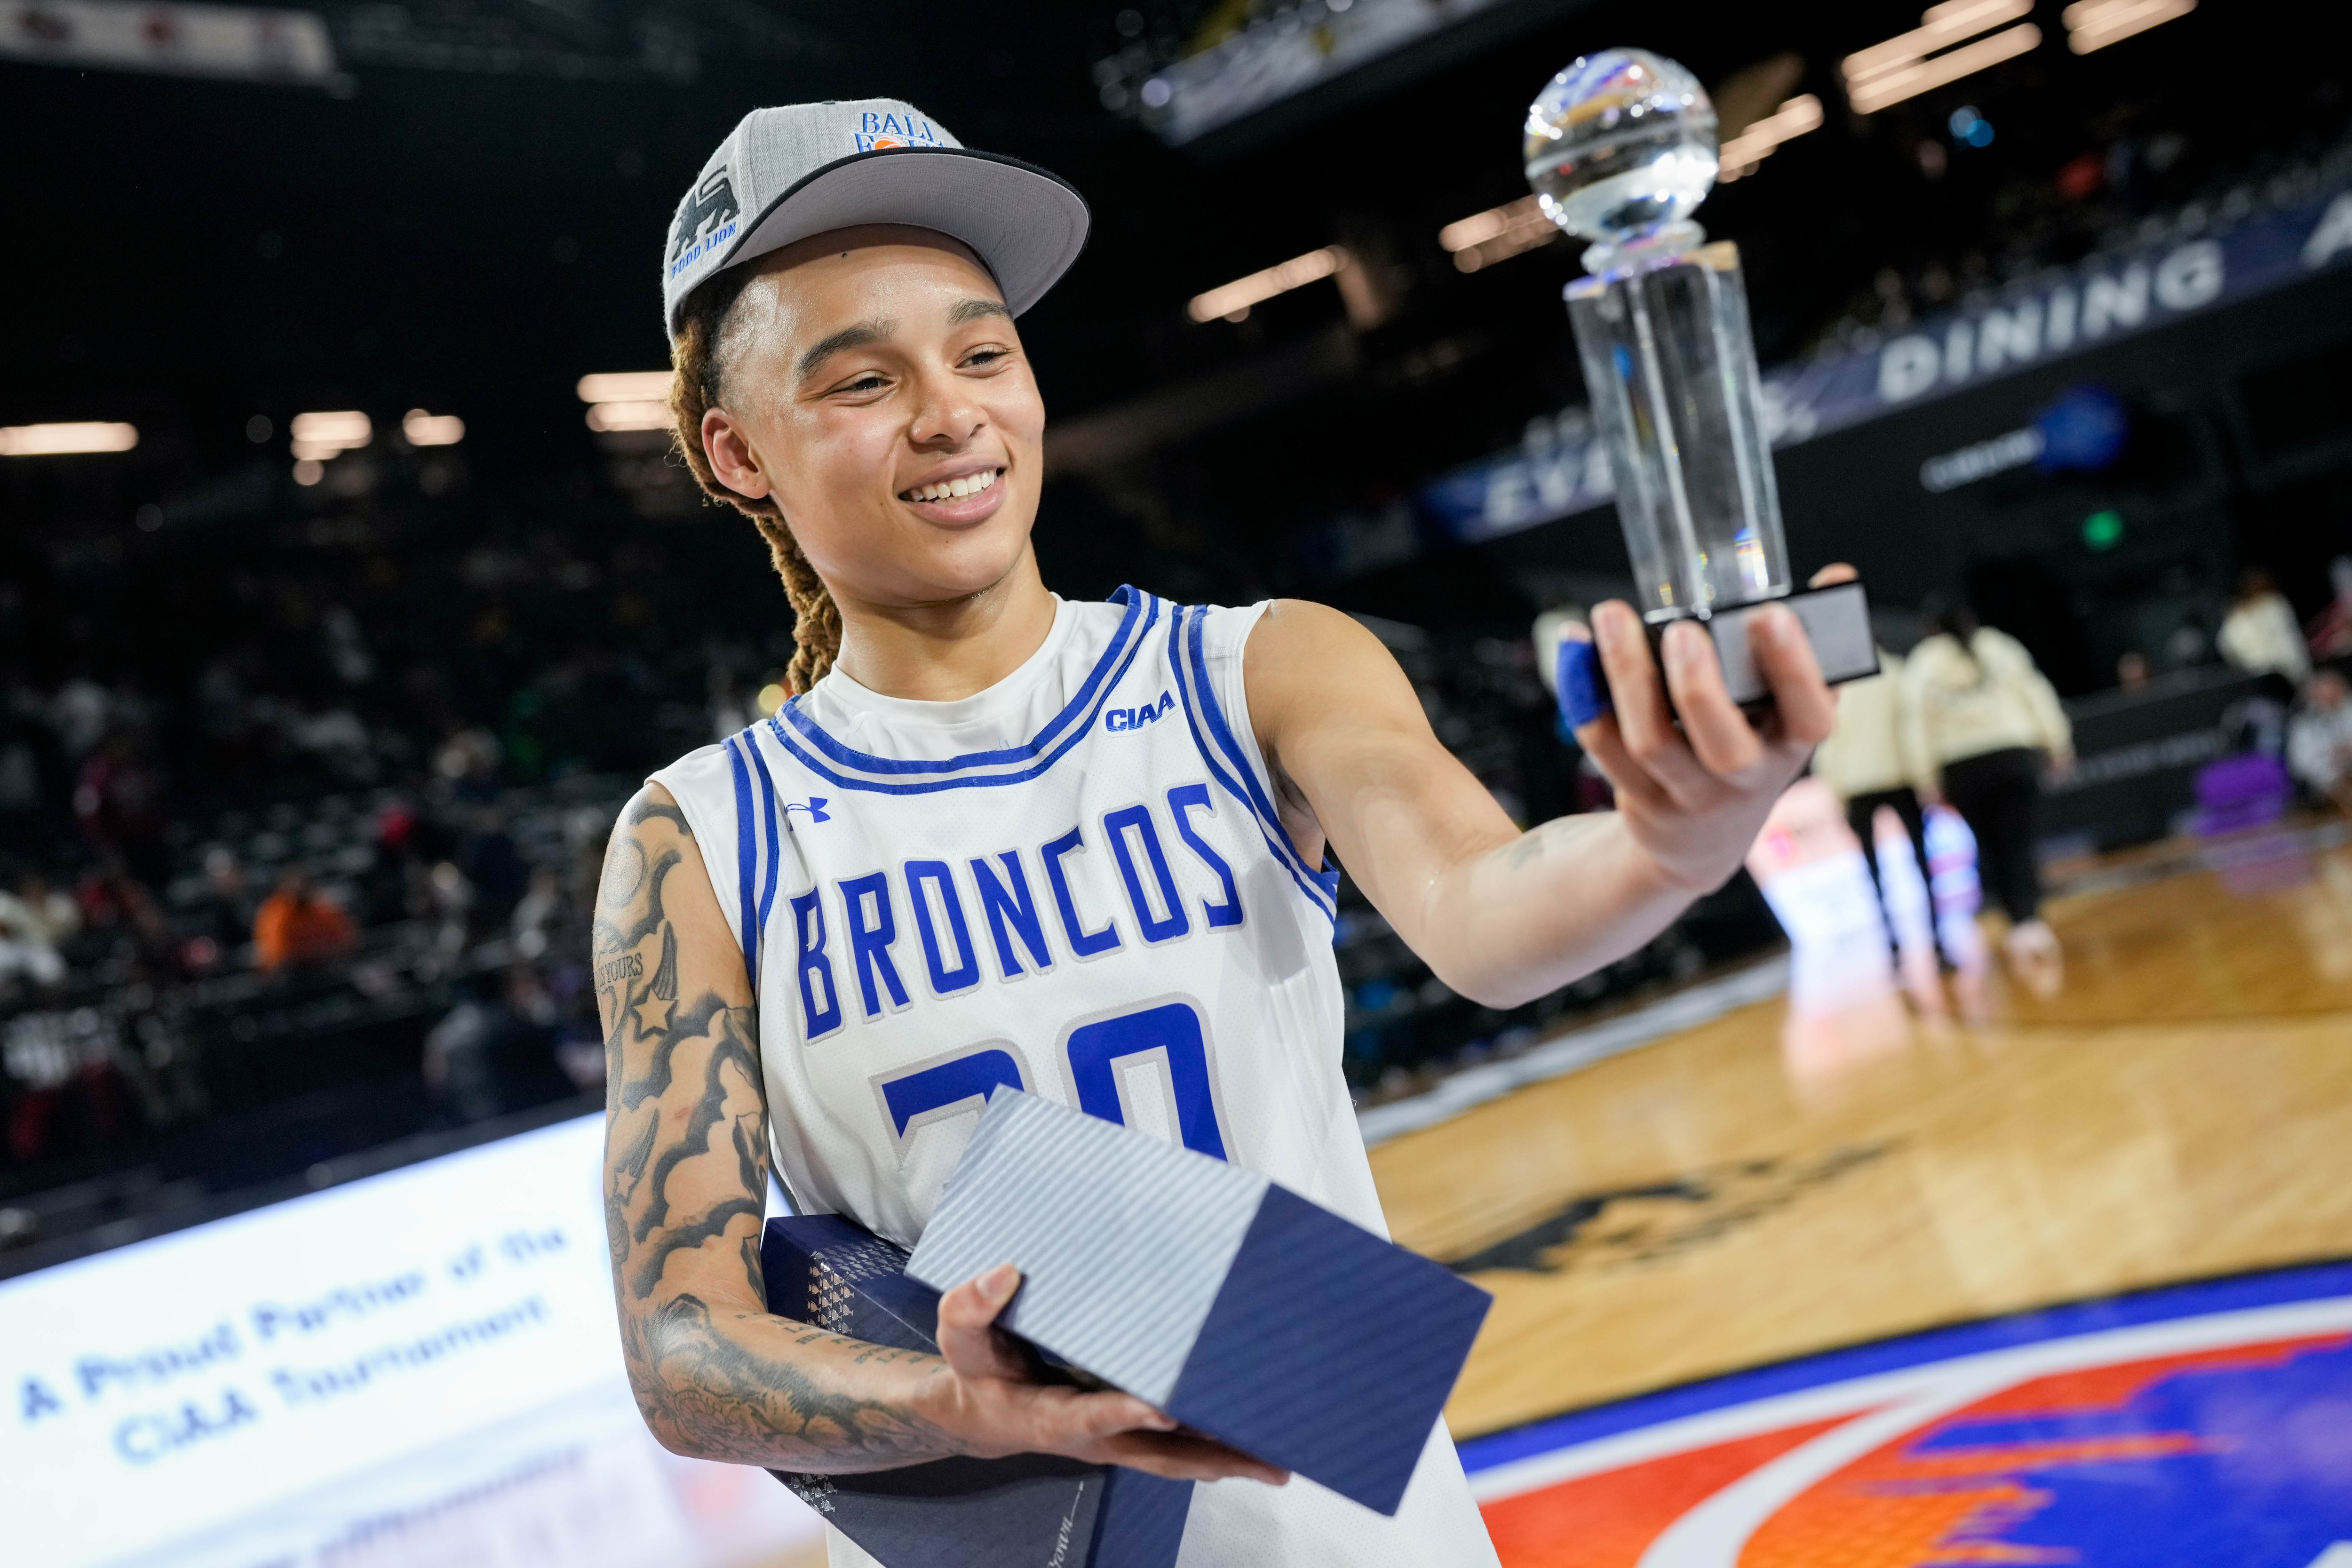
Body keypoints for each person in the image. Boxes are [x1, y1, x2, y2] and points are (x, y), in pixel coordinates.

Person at [594, 99, 1841, 1568]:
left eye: (982, 352)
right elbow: (682, 1345)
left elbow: (1487, 910)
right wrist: (970, 1404)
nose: (950, 413)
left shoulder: (1254, 670)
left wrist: (1668, 848)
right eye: (863, 380)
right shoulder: (700, 838)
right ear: (738, 456)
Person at [1902, 604, 2074, 977]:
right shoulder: (2000, 646)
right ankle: (2028, 917)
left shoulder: (1924, 663)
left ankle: (2016, 919)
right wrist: (2058, 742)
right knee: (2018, 839)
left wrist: (1926, 779)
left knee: (1989, 843)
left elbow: (1917, 724)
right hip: (2012, 755)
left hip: (1963, 767)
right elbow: (2037, 693)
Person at [1809, 642, 1934, 894]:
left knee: (1872, 862)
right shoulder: (1897, 672)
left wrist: (1837, 791)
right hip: (1900, 776)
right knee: (1920, 853)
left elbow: (1829, 741)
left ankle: (1888, 924)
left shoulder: (1836, 685)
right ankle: (1934, 921)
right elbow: (1915, 730)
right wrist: (1925, 778)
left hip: (1858, 783)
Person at [2217, 567, 2310, 694]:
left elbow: (2287, 640)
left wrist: (2300, 672)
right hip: (2259, 676)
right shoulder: (2238, 614)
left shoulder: (2275, 604)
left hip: (2283, 673)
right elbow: (2227, 646)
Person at [252, 867, 358, 972]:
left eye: (304, 885)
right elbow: (276, 952)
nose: (299, 889)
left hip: (325, 964)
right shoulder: (276, 913)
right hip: (292, 970)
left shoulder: (322, 908)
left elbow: (345, 939)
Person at [2288, 669, 2352, 815]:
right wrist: (2331, 755)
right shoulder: (2304, 723)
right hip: (2327, 777)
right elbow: (2300, 763)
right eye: (2322, 694)